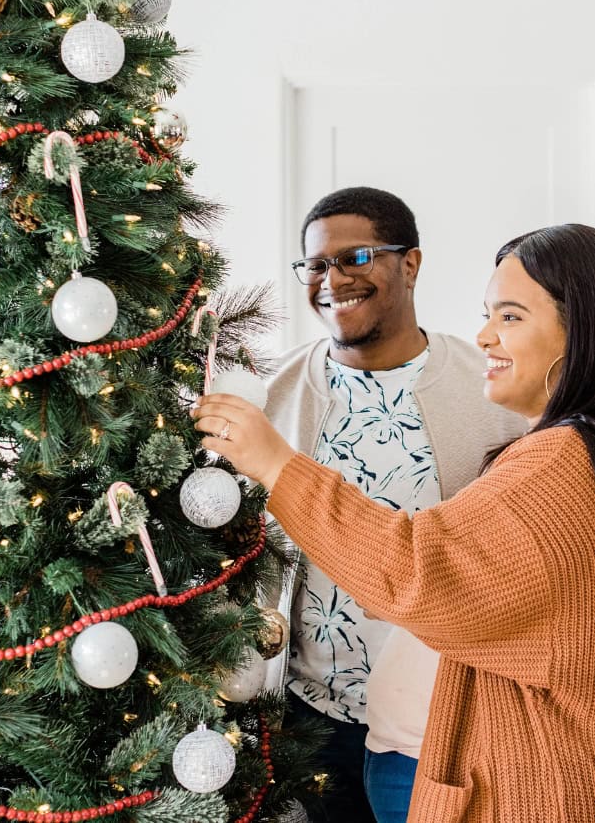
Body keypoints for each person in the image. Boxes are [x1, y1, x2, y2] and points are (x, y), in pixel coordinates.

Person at [194, 222, 595, 823]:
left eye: (511, 317)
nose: (486, 335)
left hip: (511, 783)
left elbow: (420, 571)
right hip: (331, 715)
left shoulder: (559, 463)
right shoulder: (555, 451)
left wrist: (276, 464)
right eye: (489, 314)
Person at [255, 187, 523, 822]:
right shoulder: (277, 392)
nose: (332, 280)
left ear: (411, 263)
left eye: (356, 257)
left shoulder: (490, 393)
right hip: (308, 720)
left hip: (438, 731)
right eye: (316, 265)